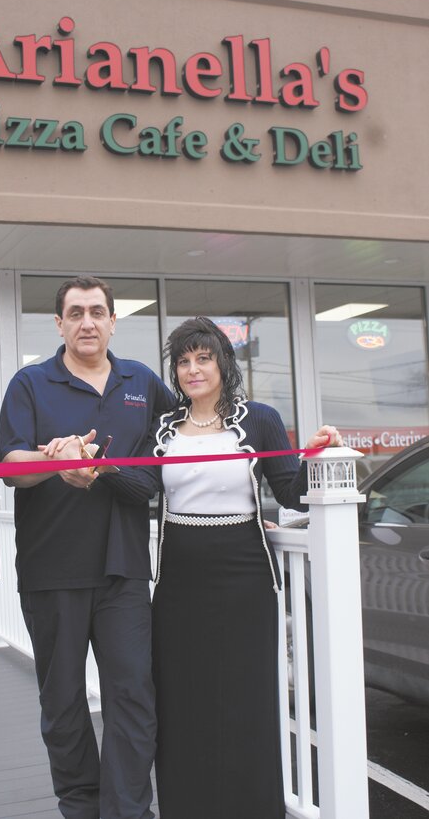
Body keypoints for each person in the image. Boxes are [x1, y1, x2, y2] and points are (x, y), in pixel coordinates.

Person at [0, 275, 174, 819]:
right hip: (53, 570)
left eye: (97, 312)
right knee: (63, 703)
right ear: (59, 324)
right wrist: (56, 460)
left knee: (133, 700)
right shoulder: (31, 383)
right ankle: (80, 807)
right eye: (75, 313)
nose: (88, 322)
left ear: (114, 321)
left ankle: (126, 810)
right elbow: (9, 467)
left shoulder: (141, 381)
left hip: (123, 572)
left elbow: (191, 430)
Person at [150, 316, 342, 819]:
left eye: (203, 357)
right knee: (183, 697)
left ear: (223, 362)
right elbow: (140, 487)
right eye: (184, 361)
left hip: (245, 577)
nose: (193, 369)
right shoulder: (164, 426)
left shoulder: (258, 419)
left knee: (246, 698)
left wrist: (315, 455)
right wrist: (98, 470)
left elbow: (289, 493)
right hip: (178, 580)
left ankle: (252, 807)